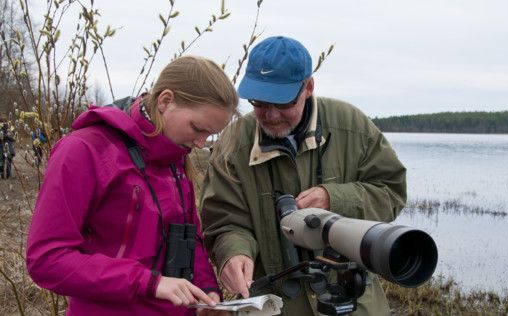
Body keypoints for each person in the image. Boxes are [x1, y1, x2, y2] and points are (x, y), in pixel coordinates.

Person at [200, 36, 407, 315]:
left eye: (282, 103)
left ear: (308, 87)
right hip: (273, 306)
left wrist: (334, 199)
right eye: (259, 103)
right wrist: (233, 253)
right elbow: (224, 220)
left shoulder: (352, 127)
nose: (270, 115)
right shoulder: (233, 143)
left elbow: (391, 192)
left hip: (353, 304)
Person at [26, 56, 238, 315]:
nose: (201, 144)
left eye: (210, 135)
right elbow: (48, 259)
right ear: (165, 101)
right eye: (197, 128)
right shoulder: (84, 150)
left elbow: (186, 234)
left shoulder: (175, 160)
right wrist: (149, 282)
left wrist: (207, 290)